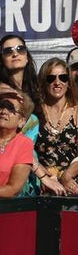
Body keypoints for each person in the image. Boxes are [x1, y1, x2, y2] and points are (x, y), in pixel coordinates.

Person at [33, 58, 78, 193]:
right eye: (51, 78)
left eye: (63, 77)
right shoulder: (34, 113)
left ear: (69, 82)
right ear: (43, 82)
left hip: (72, 184)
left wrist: (67, 175)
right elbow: (23, 149)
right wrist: (45, 176)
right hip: (41, 184)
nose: (57, 83)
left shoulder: (76, 111)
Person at [0, 34, 37, 102]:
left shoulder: (34, 88)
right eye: (8, 51)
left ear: (27, 58)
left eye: (20, 49)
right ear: (1, 59)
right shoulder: (0, 92)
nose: (15, 54)